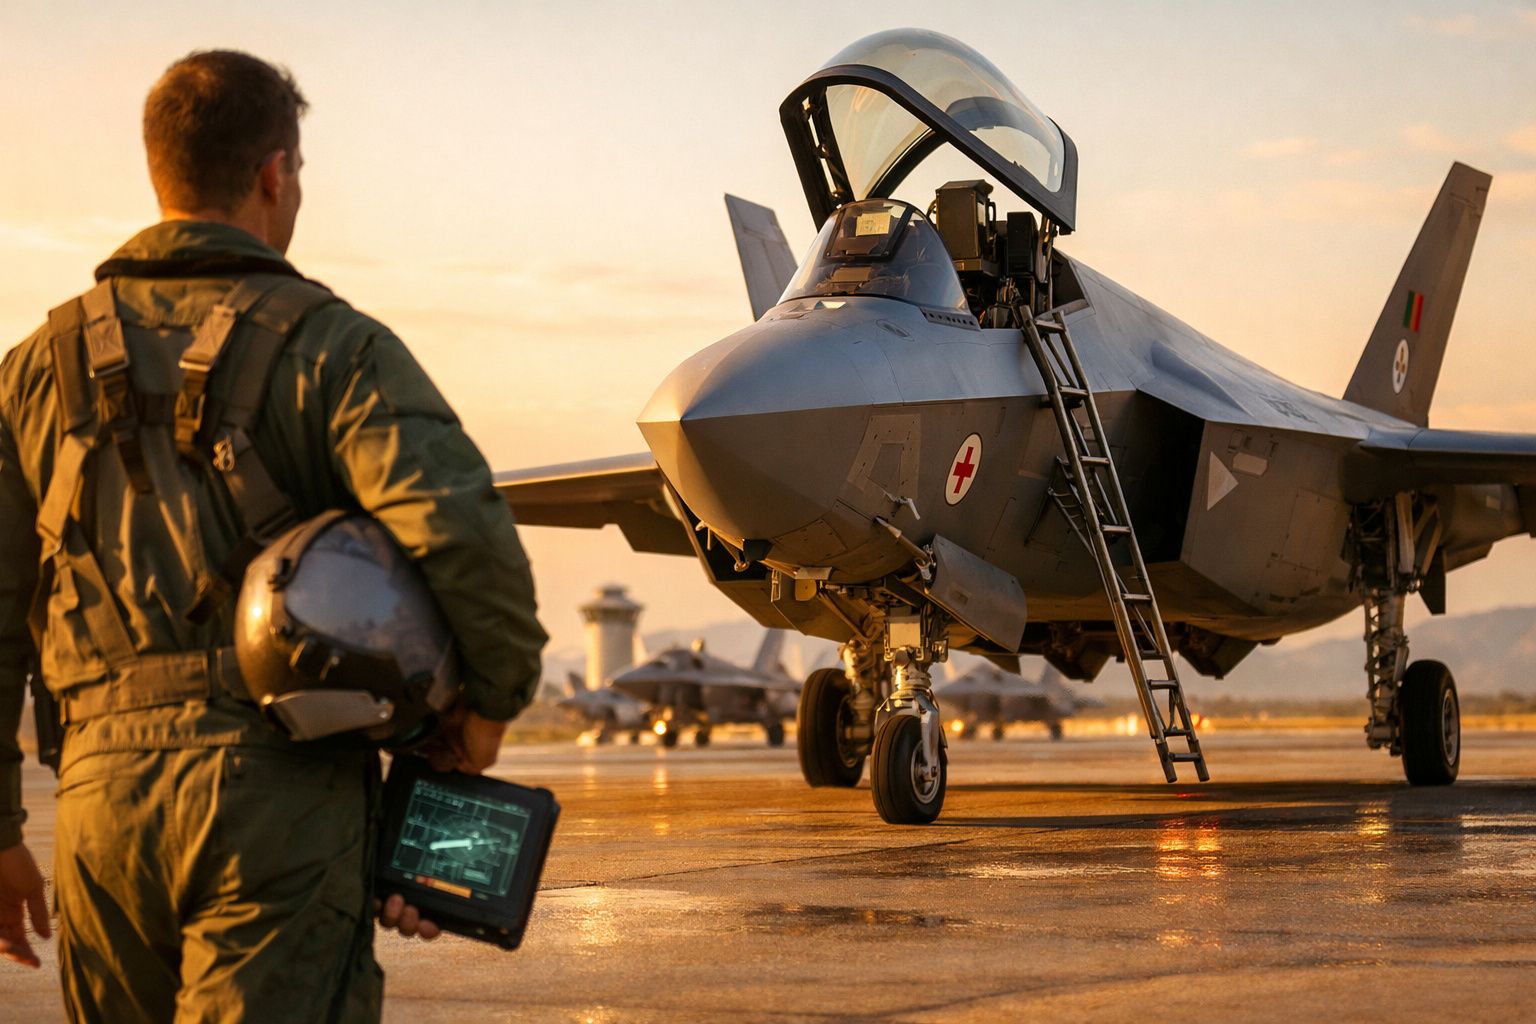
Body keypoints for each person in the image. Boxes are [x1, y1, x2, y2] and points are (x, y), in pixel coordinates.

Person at [0, 50, 546, 1022]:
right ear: (273, 174)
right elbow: (462, 532)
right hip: (280, 795)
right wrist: (488, 708)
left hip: (98, 808)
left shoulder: (33, 372)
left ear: (161, 170)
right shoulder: (335, 346)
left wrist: (1, 831)